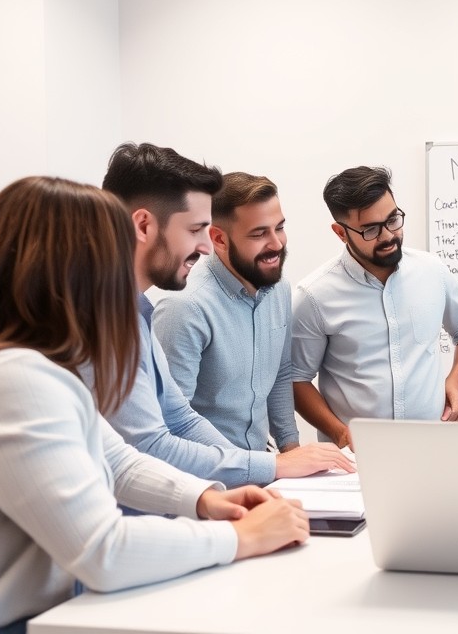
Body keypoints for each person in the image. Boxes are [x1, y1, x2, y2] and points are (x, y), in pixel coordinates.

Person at [0, 177, 309, 634]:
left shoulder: (17, 366)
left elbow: (119, 459)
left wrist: (205, 499)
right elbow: (103, 551)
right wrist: (238, 537)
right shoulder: (8, 381)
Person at [102, 145, 348, 488]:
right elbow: (152, 444)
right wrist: (268, 467)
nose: (204, 247)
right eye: (194, 230)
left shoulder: (137, 312)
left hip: (238, 474)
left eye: (279, 227)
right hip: (198, 483)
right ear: (144, 225)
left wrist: (279, 463)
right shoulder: (139, 315)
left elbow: (181, 418)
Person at [154, 172, 345, 475]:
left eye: (279, 228)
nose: (276, 243)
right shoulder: (185, 308)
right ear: (218, 239)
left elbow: (281, 373)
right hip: (207, 480)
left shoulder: (278, 287)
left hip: (262, 470)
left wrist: (291, 449)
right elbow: (174, 421)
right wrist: (271, 465)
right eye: (258, 234)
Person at [292, 166, 458, 448]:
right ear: (341, 233)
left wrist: (455, 381)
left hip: (432, 445)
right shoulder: (314, 296)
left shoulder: (432, 271)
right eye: (370, 229)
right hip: (356, 459)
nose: (387, 236)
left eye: (393, 219)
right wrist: (340, 433)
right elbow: (296, 379)